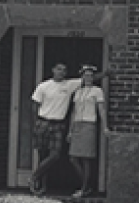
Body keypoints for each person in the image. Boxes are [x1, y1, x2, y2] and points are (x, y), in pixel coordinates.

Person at [29, 62, 83, 195]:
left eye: (64, 70)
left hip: (58, 123)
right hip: (43, 121)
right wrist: (35, 124)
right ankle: (41, 187)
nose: (62, 72)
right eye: (59, 69)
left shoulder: (69, 85)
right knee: (42, 155)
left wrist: (106, 73)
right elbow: (35, 105)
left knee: (55, 155)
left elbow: (89, 79)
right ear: (53, 70)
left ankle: (34, 176)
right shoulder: (44, 86)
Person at [67, 65, 109, 198]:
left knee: (86, 159)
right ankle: (86, 184)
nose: (88, 78)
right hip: (77, 125)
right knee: (73, 158)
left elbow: (101, 110)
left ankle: (84, 188)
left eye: (91, 76)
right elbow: (73, 112)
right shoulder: (78, 92)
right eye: (86, 75)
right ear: (82, 77)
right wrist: (70, 130)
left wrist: (104, 126)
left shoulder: (97, 91)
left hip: (89, 124)